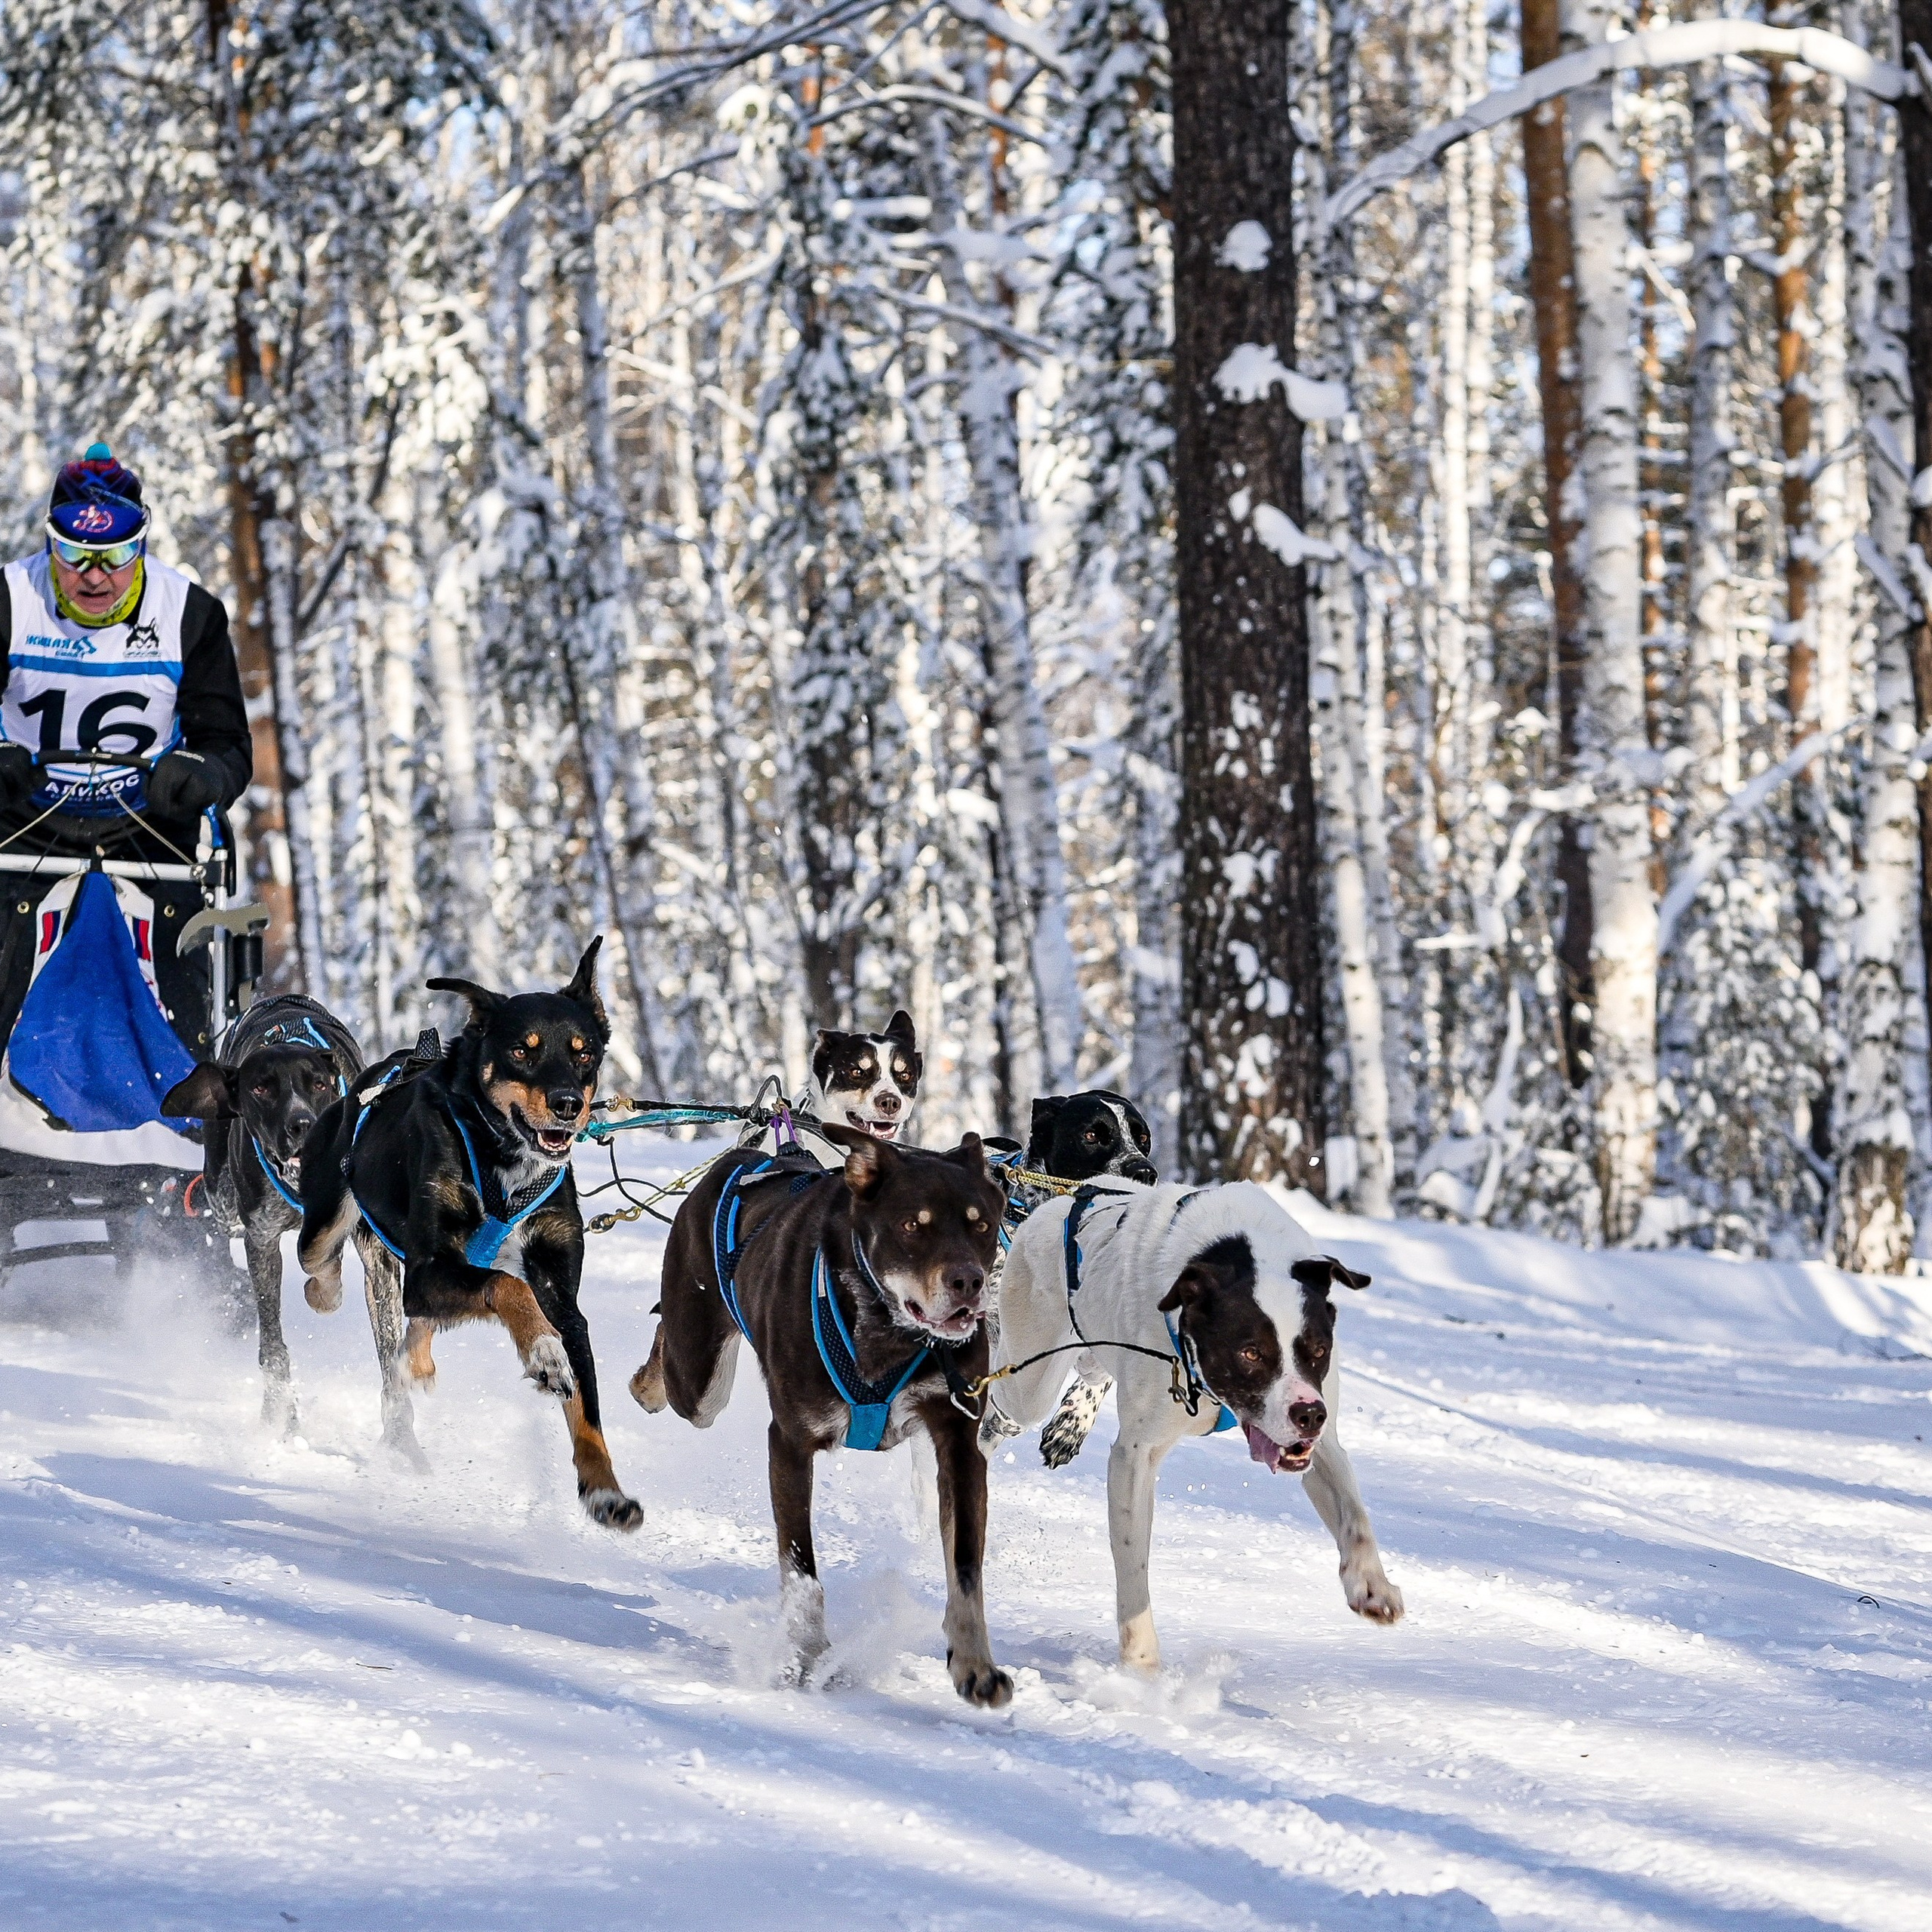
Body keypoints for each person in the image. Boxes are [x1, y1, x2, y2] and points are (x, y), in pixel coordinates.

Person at [0, 444, 252, 1060]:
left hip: (147, 817)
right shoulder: (10, 599)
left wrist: (203, 775)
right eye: (75, 554)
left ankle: (198, 1105)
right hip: (26, 814)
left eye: (114, 555)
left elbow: (229, 746)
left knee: (187, 953)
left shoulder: (189, 613)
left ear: (140, 545)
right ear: (50, 546)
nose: (94, 574)